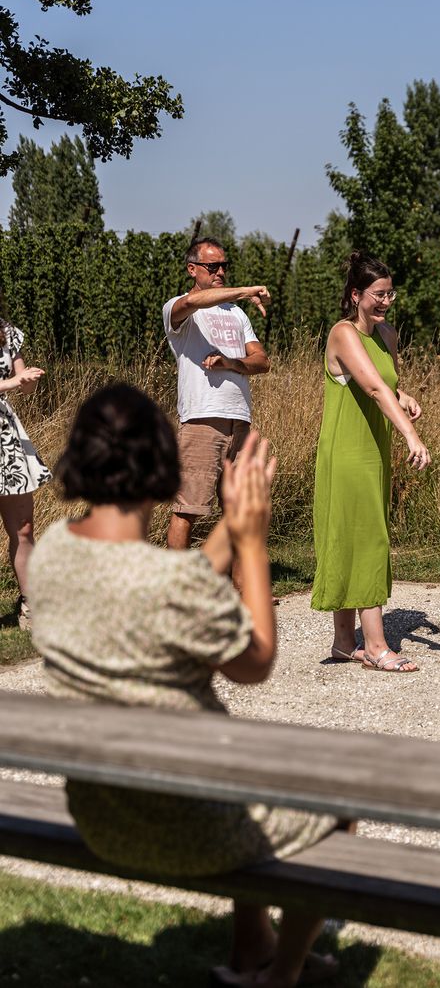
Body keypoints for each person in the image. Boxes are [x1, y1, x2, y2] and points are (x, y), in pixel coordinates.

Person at [29, 384, 340, 988]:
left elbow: (173, 581)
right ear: (161, 465)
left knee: (244, 775)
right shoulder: (169, 584)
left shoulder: (50, 554)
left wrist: (231, 516)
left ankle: (252, 948)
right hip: (187, 825)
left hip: (101, 814)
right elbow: (258, 662)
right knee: (337, 815)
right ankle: (281, 976)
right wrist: (251, 541)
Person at [312, 251, 431, 674]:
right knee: (366, 539)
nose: (385, 302)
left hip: (373, 449)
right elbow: (375, 390)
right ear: (355, 294)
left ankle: (345, 643)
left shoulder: (388, 335)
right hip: (346, 451)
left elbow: (388, 386)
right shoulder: (343, 334)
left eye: (390, 294)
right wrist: (411, 435)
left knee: (356, 534)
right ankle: (377, 646)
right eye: (377, 295)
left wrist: (406, 396)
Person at [164, 239, 271, 554]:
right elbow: (196, 303)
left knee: (238, 508)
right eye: (213, 266)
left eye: (225, 265)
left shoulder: (236, 314)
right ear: (192, 269)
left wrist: (231, 363)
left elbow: (262, 361)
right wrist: (244, 290)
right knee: (189, 507)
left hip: (239, 420)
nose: (221, 271)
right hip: (201, 420)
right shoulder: (177, 307)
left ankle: (242, 590)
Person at [0, 299, 51, 625]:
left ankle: (29, 604)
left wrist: (28, 380)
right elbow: (11, 383)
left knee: (23, 527)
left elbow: (24, 388)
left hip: (5, 437)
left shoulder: (8, 333)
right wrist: (12, 383)